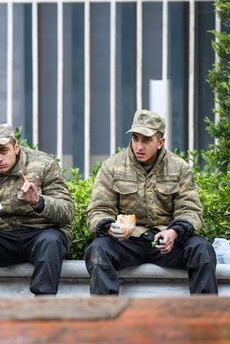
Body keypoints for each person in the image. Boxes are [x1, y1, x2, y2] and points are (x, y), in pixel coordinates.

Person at [85, 109, 218, 295]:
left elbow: (191, 210)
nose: (139, 146)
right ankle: (107, 319)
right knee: (98, 249)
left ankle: (206, 320)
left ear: (160, 142)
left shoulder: (179, 168)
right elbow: (98, 209)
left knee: (202, 250)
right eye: (135, 138)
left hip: (166, 242)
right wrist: (109, 227)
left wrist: (174, 232)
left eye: (146, 140)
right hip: (127, 242)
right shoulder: (112, 167)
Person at [0, 124, 75, 297]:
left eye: (3, 151)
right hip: (0, 235)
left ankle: (43, 305)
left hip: (40, 234)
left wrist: (38, 202)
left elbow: (68, 211)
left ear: (16, 147)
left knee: (51, 241)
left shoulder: (43, 164)